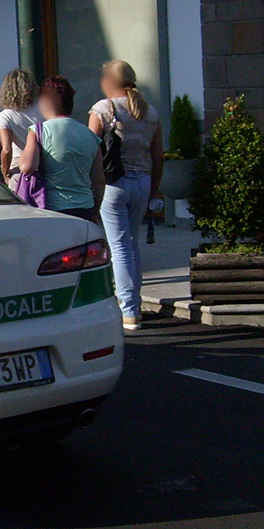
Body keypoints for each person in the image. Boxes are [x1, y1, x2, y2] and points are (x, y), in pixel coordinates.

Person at [89, 59, 164, 331]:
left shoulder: (103, 109)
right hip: (142, 181)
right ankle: (134, 304)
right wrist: (155, 188)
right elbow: (157, 155)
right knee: (131, 244)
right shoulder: (150, 111)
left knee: (118, 247)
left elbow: (90, 147)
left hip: (113, 183)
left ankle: (128, 309)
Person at [19, 75, 104, 224]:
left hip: (53, 209)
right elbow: (98, 181)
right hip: (85, 208)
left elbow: (27, 167)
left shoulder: (39, 131)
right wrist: (95, 211)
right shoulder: (90, 135)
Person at [0, 69, 42, 190]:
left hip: (19, 168)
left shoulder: (4, 116)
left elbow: (6, 150)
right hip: (44, 166)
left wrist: (5, 174)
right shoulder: (43, 111)